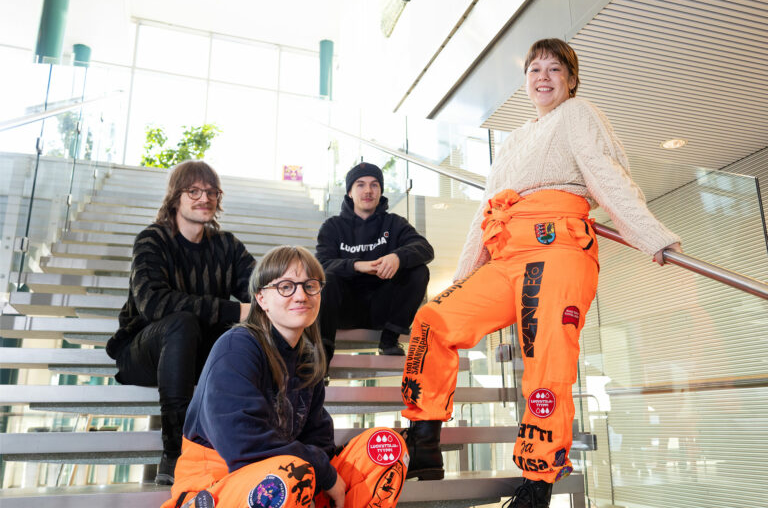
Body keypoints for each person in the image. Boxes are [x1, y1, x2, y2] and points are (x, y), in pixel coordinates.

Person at [399, 38, 683, 508]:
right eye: (535, 69)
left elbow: (606, 173)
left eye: (555, 68)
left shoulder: (578, 114)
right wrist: (465, 276)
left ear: (572, 80)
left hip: (559, 246)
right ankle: (424, 445)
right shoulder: (513, 138)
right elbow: (484, 213)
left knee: (546, 357)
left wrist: (650, 233)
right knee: (433, 319)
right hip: (506, 251)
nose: (544, 76)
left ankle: (539, 476)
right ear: (526, 80)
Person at [162, 245, 409, 508]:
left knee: (385, 447)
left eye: (310, 285)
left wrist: (322, 472)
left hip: (290, 477)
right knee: (283, 478)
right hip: (220, 483)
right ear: (261, 298)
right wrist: (322, 472)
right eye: (286, 286)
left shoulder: (308, 356)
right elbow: (243, 442)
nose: (301, 295)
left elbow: (319, 438)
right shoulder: (236, 347)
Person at [105, 160, 255, 485]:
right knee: (182, 323)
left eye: (212, 192)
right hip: (143, 351)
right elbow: (153, 303)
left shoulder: (226, 246)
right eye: (194, 191)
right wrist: (233, 311)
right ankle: (176, 451)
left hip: (198, 354)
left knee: (249, 332)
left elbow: (258, 292)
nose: (205, 198)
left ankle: (248, 444)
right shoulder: (152, 240)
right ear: (176, 197)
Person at [316, 162, 434, 361]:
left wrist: (397, 257)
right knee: (327, 278)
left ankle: (389, 339)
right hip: (344, 309)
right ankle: (323, 352)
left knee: (419, 271)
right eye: (360, 185)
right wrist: (356, 265)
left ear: (380, 191)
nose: (368, 191)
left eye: (374, 185)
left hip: (383, 309)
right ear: (350, 192)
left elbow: (425, 249)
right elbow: (320, 265)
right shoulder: (332, 227)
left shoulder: (395, 223)